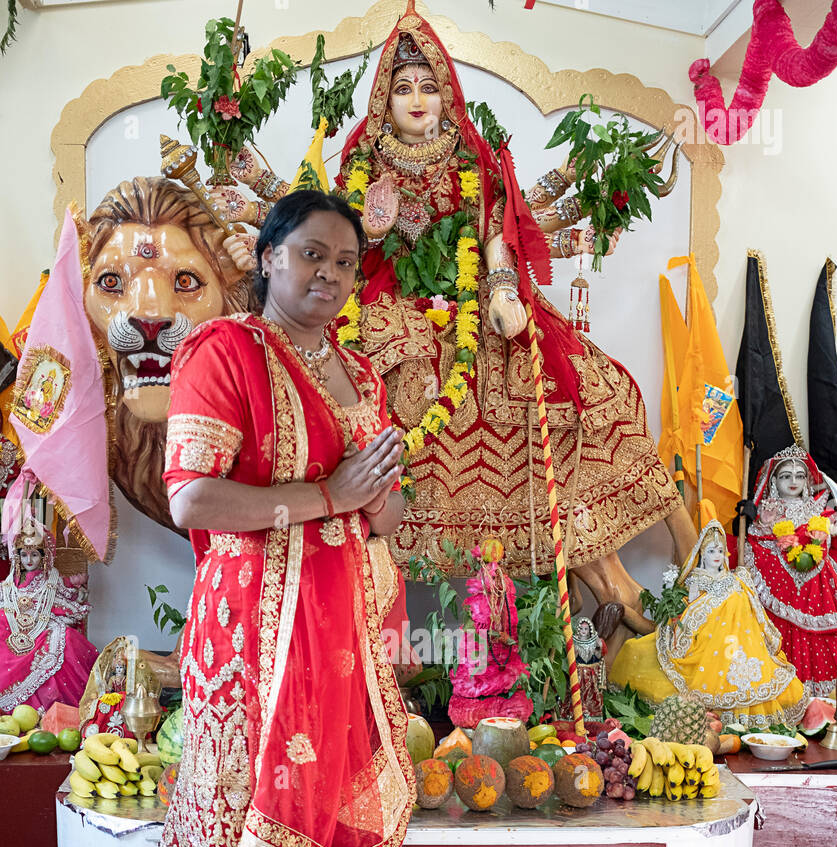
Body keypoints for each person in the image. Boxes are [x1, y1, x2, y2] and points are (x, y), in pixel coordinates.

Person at [214, 0, 695, 633]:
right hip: (387, 309)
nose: (417, 99)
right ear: (383, 100)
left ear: (448, 96)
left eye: (429, 87)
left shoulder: (472, 161)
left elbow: (496, 231)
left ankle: (631, 569)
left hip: (469, 304)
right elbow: (343, 252)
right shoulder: (361, 167)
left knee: (567, 382)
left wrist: (500, 290)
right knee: (391, 371)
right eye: (403, 87)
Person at [112, 190, 429, 847]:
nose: (328, 276)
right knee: (235, 825)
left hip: (345, 646)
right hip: (252, 646)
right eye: (310, 256)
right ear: (267, 256)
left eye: (343, 264)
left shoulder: (361, 376)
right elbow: (195, 502)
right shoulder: (224, 352)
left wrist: (373, 499)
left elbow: (390, 519)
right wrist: (329, 494)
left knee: (337, 816)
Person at [609, 519, 807, 729]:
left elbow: (750, 613)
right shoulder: (695, 579)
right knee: (640, 651)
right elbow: (690, 609)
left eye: (720, 551)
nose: (716, 556)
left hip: (738, 642)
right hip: (704, 641)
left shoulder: (736, 578)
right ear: (702, 553)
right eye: (712, 551)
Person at [733, 444, 837, 698]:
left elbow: (825, 530)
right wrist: (751, 517)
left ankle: (824, 695)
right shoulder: (769, 509)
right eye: (785, 476)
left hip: (817, 578)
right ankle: (784, 692)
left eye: (799, 476)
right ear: (773, 481)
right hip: (777, 576)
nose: (793, 481)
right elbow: (758, 538)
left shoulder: (816, 507)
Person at [0, 513, 97, 714]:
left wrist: (78, 589)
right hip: (11, 632)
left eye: (34, 554)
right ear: (17, 556)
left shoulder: (52, 581)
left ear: (44, 556)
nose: (29, 560)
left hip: (43, 630)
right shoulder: (7, 586)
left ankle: (56, 711)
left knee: (66, 637)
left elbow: (69, 598)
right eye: (24, 555)